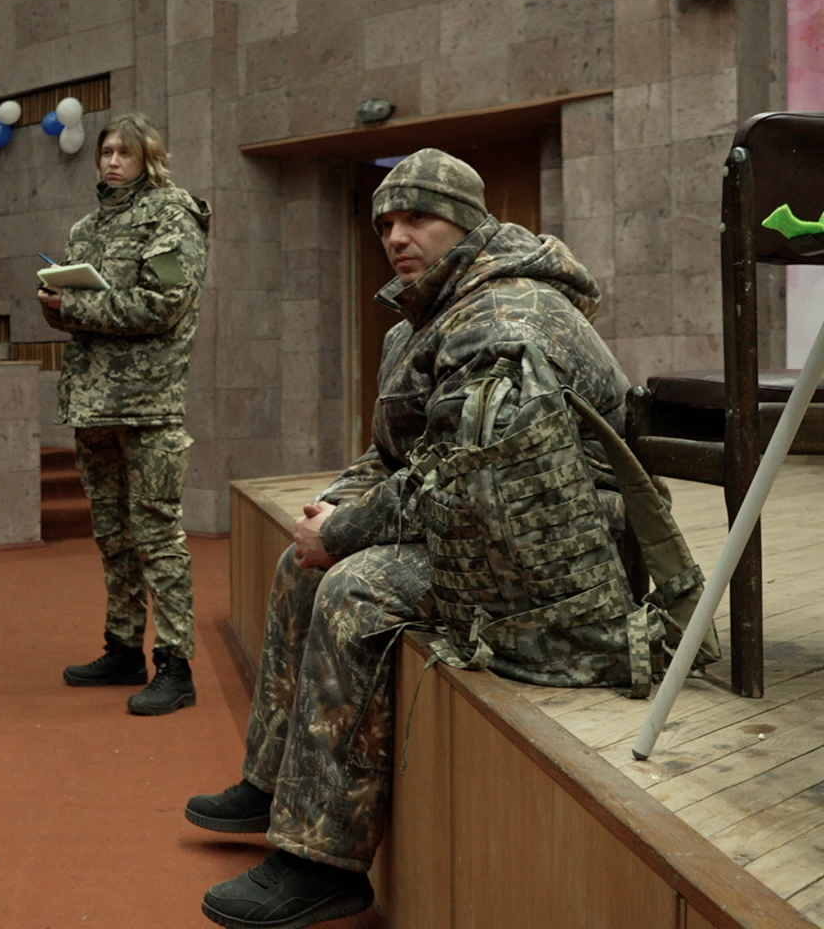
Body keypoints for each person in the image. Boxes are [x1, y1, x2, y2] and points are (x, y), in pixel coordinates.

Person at [184, 149, 636, 929]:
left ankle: (323, 863)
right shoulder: (425, 320)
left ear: (466, 223)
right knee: (305, 562)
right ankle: (274, 785)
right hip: (490, 534)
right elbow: (397, 456)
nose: (396, 235)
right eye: (385, 222)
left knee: (354, 592)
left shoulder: (507, 318)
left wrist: (351, 534)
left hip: (562, 562)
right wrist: (333, 509)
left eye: (416, 218)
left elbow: (472, 481)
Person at [36, 112, 211, 717]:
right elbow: (81, 310)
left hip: (148, 404)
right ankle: (122, 647)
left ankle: (175, 664)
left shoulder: (172, 214)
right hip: (93, 403)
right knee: (112, 537)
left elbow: (163, 302)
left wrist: (77, 305)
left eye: (125, 153)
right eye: (106, 151)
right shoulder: (87, 229)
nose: (112, 161)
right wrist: (53, 305)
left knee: (157, 535)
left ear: (149, 159)